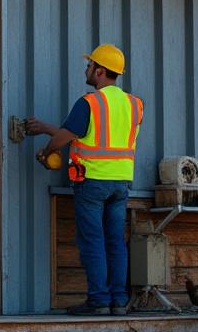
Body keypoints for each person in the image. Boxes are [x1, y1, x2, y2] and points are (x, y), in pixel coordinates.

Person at [25, 44, 144, 315]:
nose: (86, 69)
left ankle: (98, 301)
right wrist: (46, 128)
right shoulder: (134, 104)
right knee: (114, 241)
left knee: (93, 240)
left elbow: (67, 137)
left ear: (100, 71)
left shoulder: (90, 102)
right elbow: (88, 135)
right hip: (121, 183)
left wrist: (46, 151)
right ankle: (118, 302)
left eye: (89, 66)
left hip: (92, 181)